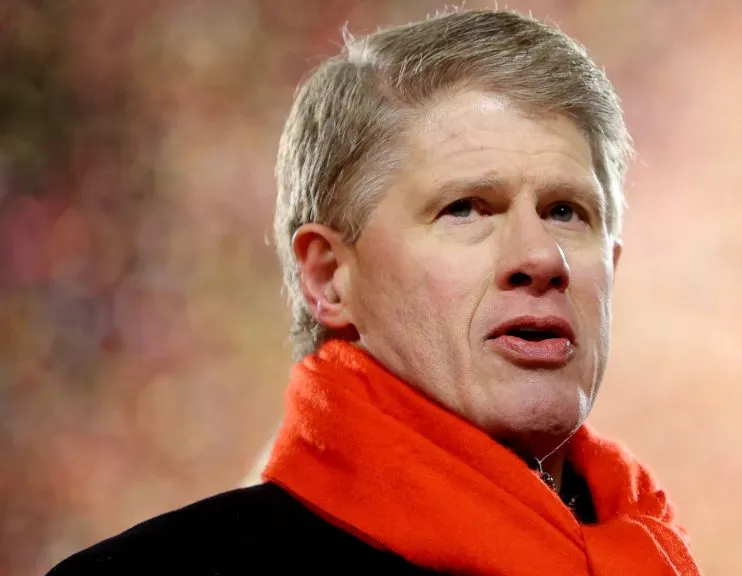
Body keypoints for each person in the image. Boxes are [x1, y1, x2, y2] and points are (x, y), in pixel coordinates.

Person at [49, 8, 702, 575]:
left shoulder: (652, 552)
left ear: (611, 267)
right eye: (468, 207)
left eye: (566, 211)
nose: (541, 257)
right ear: (329, 277)